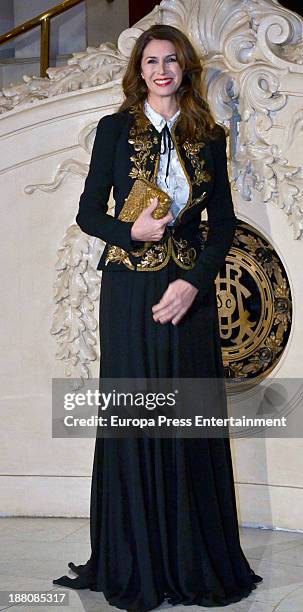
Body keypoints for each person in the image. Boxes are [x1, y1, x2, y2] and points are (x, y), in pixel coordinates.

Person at [53, 24, 263, 611]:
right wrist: (132, 230)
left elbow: (221, 226)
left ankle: (193, 560)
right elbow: (89, 212)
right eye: (152, 61)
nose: (162, 70)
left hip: (187, 298)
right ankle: (137, 558)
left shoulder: (208, 137)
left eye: (171, 60)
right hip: (128, 295)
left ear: (184, 69)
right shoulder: (115, 131)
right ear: (139, 70)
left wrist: (195, 285)